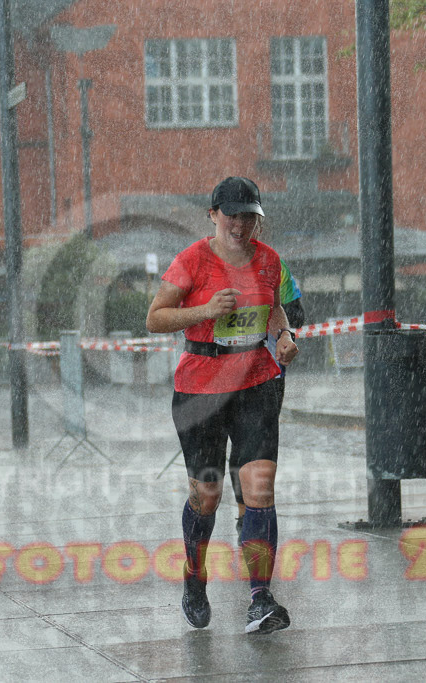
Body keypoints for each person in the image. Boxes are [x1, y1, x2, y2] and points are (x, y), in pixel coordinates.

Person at [146, 176, 298, 635]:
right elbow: (155, 318)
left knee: (259, 487)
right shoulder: (192, 260)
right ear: (213, 214)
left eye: (249, 216)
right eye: (232, 215)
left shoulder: (269, 261)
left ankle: (260, 597)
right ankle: (195, 575)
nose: (241, 225)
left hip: (256, 383)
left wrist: (285, 335)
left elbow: (274, 308)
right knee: (207, 495)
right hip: (202, 390)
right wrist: (205, 311)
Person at [228, 259, 304, 540]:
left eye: (252, 223)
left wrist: (283, 332)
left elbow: (296, 313)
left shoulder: (275, 265)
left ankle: (252, 514)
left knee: (256, 447)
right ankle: (243, 512)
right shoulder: (211, 261)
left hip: (269, 370)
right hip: (225, 374)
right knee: (239, 445)